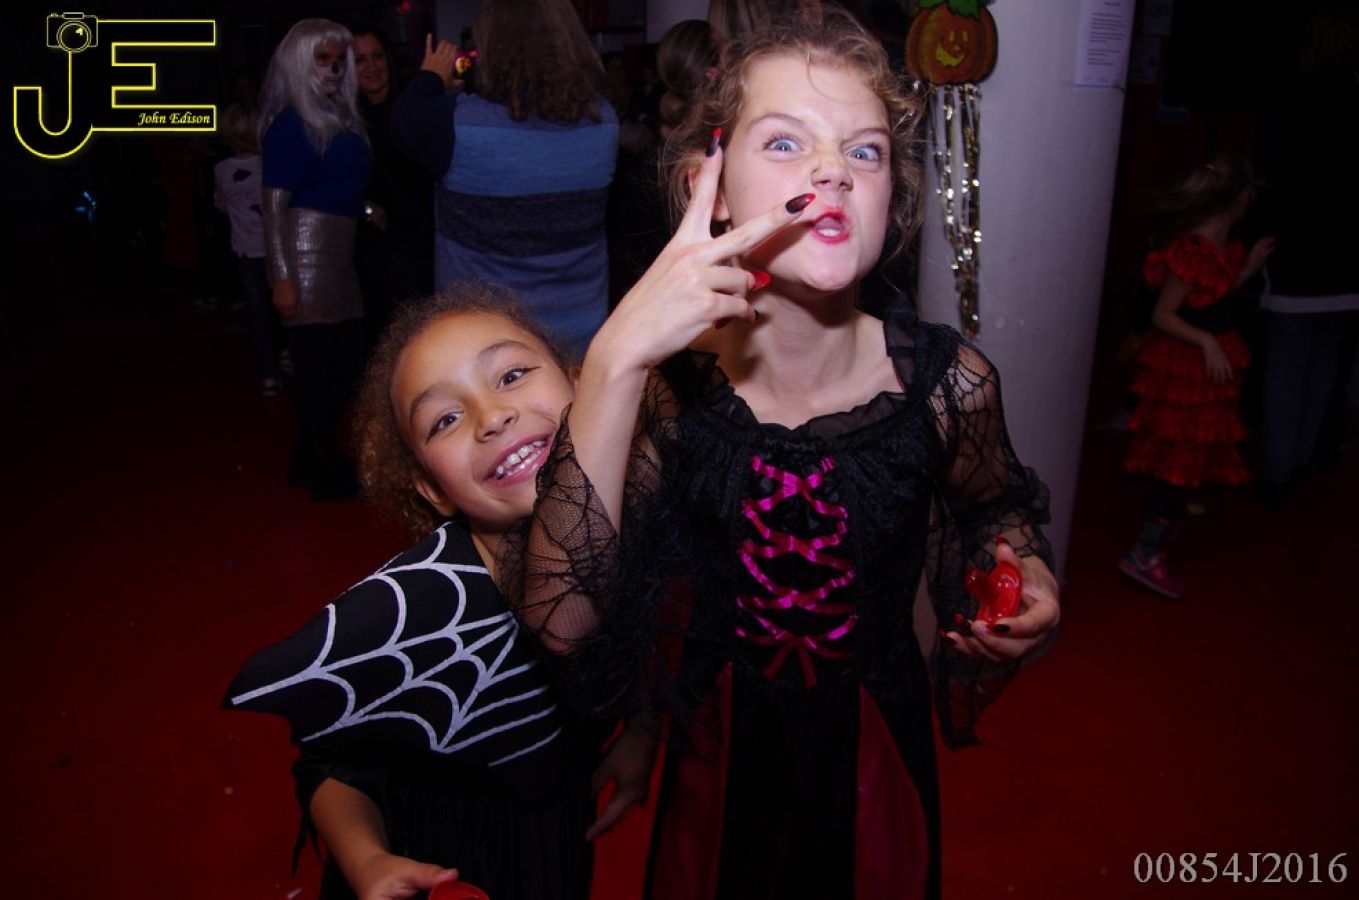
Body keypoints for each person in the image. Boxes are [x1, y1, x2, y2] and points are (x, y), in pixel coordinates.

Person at [515, 9, 1061, 899]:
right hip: (719, 759)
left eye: (864, 152)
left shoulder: (947, 385)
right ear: (711, 187)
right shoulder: (666, 394)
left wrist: (1024, 575)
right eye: (783, 143)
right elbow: (564, 621)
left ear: (891, 195)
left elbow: (992, 508)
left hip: (874, 756)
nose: (831, 171)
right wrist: (613, 359)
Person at [225, 284, 657, 900]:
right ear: (433, 491)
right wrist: (367, 862)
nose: (492, 416)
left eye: (511, 375)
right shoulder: (423, 605)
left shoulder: (632, 524)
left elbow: (651, 628)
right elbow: (330, 767)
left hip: (554, 835)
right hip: (437, 850)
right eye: (445, 420)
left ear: (580, 383)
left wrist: (640, 729)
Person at [391, 0, 618, 358]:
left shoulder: (457, 124)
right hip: (581, 328)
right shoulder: (603, 121)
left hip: (487, 341)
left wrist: (431, 74)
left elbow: (402, 121)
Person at [1119, 154, 1274, 598]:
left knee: (1192, 457)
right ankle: (1143, 553)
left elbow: (1212, 293)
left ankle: (1162, 525)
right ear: (1240, 199)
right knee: (1179, 462)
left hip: (1205, 368)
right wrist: (1206, 342)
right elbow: (1163, 314)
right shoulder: (1194, 248)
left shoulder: (1221, 242)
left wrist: (1248, 269)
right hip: (1186, 369)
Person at [259, 18, 372, 500]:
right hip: (307, 257)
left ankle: (307, 459)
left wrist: (369, 210)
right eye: (322, 58)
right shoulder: (292, 122)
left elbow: (335, 186)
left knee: (337, 367)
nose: (334, 68)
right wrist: (281, 277)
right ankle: (323, 469)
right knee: (320, 371)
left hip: (341, 254)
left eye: (339, 59)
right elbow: (272, 206)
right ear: (299, 63)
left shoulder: (336, 117)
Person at [350, 21, 435, 344]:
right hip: (372, 244)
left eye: (377, 56)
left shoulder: (414, 105)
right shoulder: (344, 119)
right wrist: (364, 207)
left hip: (421, 240)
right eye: (360, 60)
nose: (371, 67)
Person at [213, 102, 283, 397]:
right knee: (280, 308)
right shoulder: (269, 165)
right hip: (269, 250)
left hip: (247, 251)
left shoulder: (221, 169)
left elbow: (221, 205)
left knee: (259, 314)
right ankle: (281, 358)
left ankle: (269, 373)